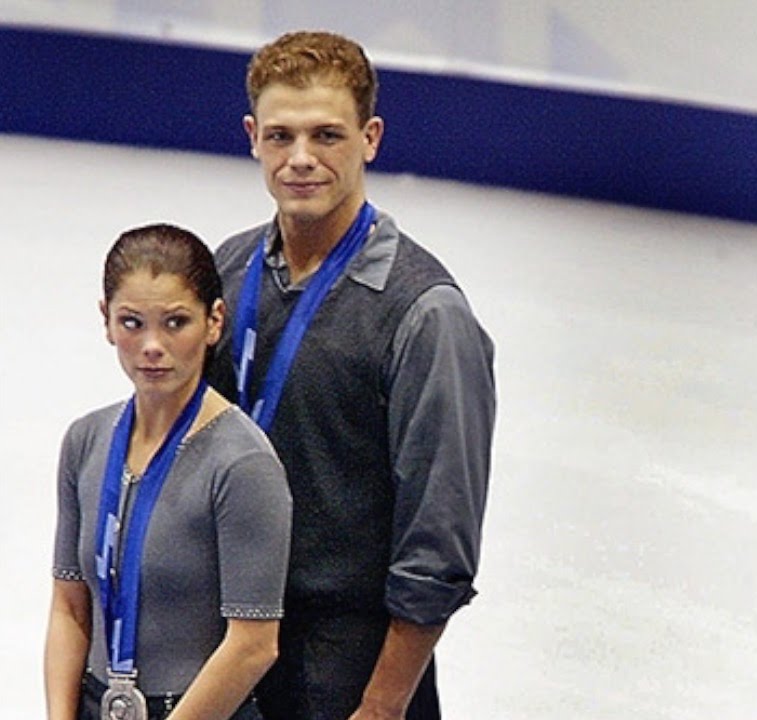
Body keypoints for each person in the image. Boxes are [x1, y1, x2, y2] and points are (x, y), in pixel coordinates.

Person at [207, 30, 496, 720]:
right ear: (252, 137)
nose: (301, 159)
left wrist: (382, 703)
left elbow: (439, 540)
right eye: (280, 136)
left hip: (347, 667)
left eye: (327, 135)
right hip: (227, 648)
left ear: (370, 137)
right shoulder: (228, 271)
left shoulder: (425, 314)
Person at [45, 223, 292, 719]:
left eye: (176, 323)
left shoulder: (242, 464)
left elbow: (253, 644)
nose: (152, 345)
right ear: (107, 320)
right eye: (132, 322)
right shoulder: (85, 441)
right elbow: (70, 606)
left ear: (214, 321)